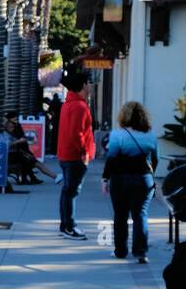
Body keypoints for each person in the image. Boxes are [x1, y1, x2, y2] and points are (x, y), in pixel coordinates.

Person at [101, 101, 158, 263]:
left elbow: (111, 159)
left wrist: (105, 179)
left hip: (120, 179)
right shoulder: (150, 136)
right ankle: (141, 252)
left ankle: (120, 250)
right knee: (140, 215)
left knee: (120, 215)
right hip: (143, 179)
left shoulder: (117, 135)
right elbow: (155, 159)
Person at [56, 70, 95, 240]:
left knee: (67, 191)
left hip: (66, 155)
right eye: (89, 83)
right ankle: (69, 226)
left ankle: (65, 225)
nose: (91, 86)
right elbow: (76, 133)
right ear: (84, 85)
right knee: (71, 192)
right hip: (75, 157)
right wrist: (84, 152)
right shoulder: (79, 106)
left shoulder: (69, 104)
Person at [4, 112, 59, 184]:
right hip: (12, 155)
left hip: (18, 153)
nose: (13, 127)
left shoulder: (16, 128)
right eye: (12, 126)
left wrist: (22, 140)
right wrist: (19, 141)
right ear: (8, 124)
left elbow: (20, 137)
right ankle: (52, 176)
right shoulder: (5, 133)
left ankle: (32, 178)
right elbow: (6, 145)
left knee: (30, 159)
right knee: (29, 160)